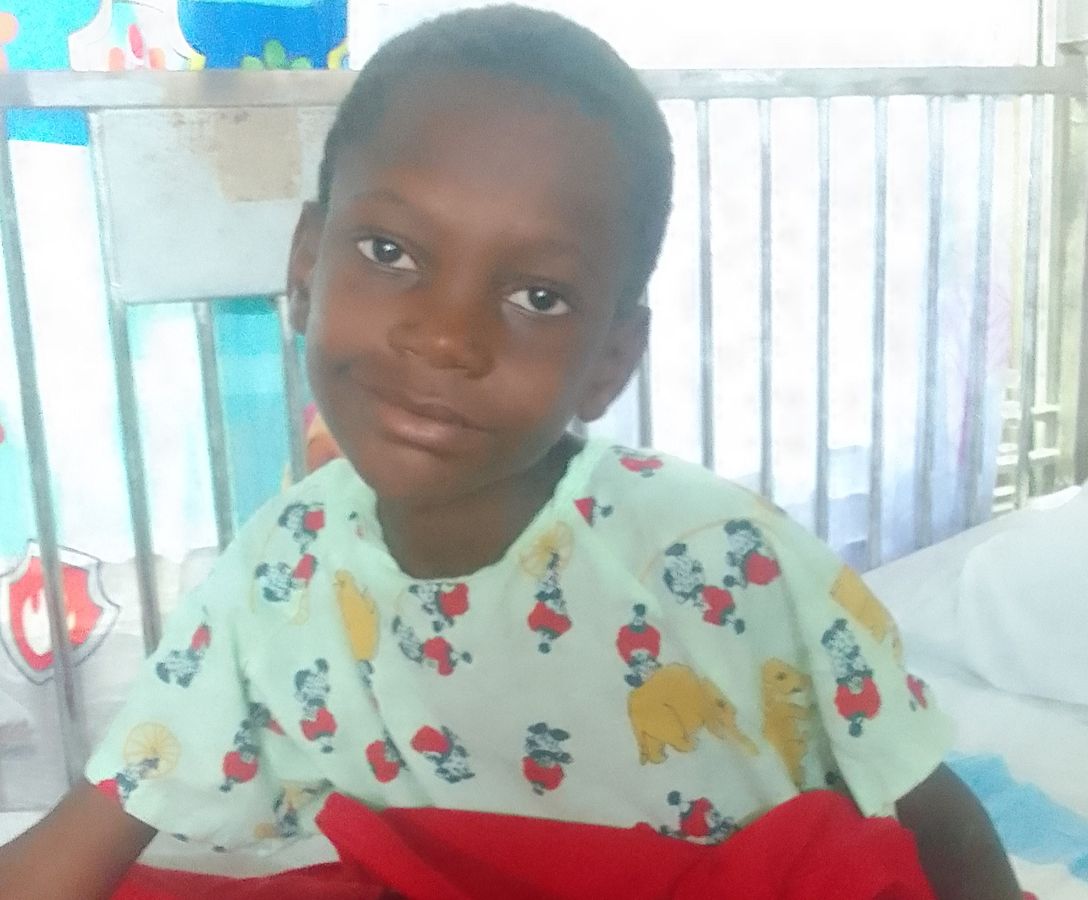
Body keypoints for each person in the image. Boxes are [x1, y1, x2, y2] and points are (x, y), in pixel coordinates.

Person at [0, 6, 1021, 898]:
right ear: (306, 269)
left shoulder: (722, 555)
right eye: (390, 252)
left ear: (609, 359)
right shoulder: (278, 572)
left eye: (538, 296)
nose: (446, 338)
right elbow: (91, 832)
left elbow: (930, 811)